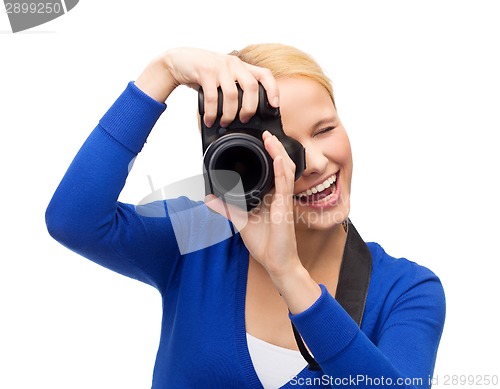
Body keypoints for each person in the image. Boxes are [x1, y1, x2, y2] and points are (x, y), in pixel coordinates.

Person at [45, 44, 446, 388]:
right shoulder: (201, 237)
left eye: (324, 130)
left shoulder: (406, 291)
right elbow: (74, 219)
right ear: (243, 161)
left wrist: (288, 273)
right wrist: (162, 72)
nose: (315, 162)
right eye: (284, 148)